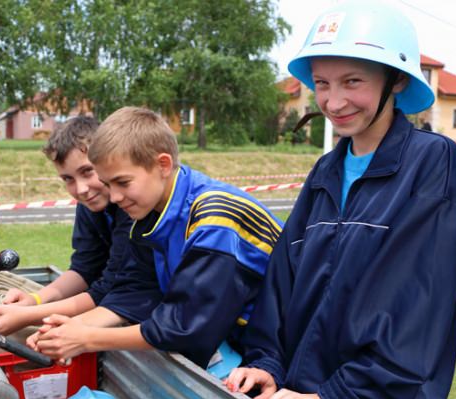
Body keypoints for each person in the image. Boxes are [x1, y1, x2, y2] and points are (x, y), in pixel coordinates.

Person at [224, 2, 456, 399]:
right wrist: (267, 362)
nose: (333, 100)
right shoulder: (326, 170)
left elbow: (416, 302)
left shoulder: (432, 163)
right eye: (322, 82)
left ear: (396, 81)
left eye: (352, 81)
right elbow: (285, 278)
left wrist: (338, 396)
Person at [27, 107, 282, 369]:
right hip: (251, 345)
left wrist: (87, 339)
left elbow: (184, 325)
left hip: (282, 348)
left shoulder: (214, 219)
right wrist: (68, 329)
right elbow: (135, 290)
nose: (114, 197)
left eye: (122, 183)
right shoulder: (152, 210)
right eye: (108, 184)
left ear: (163, 165)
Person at [0, 116, 160, 335]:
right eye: (68, 179)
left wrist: (29, 316)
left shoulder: (131, 206)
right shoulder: (89, 205)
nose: (81, 189)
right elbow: (84, 268)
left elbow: (111, 288)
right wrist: (34, 300)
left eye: (87, 172)